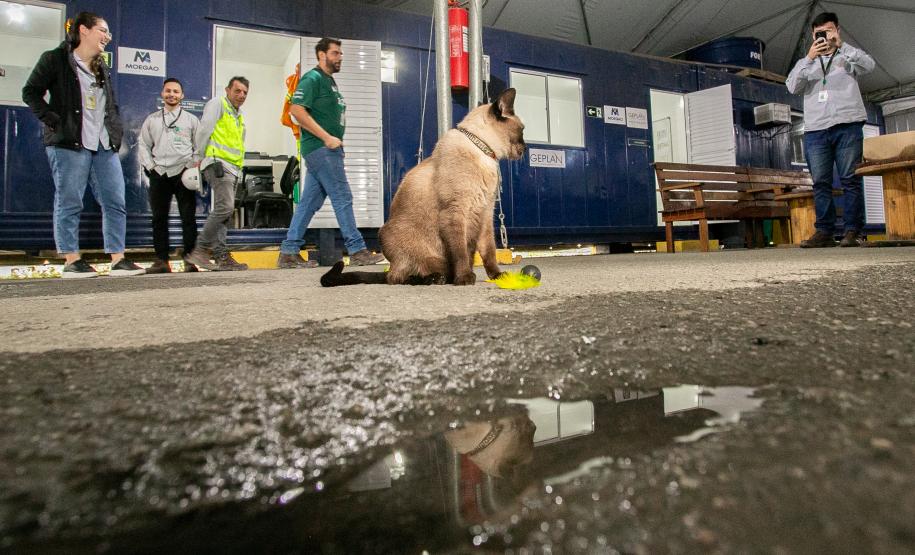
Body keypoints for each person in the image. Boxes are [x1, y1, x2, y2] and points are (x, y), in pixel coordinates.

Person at [22, 11, 145, 278]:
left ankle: (118, 259)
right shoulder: (55, 60)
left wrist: (115, 132)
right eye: (103, 30)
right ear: (83, 30)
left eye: (109, 33)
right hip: (69, 142)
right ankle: (71, 259)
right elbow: (30, 92)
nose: (107, 37)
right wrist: (53, 120)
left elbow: (108, 104)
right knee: (70, 200)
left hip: (102, 144)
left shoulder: (101, 66)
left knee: (115, 199)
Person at [276, 38, 384, 269]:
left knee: (308, 204)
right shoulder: (312, 78)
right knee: (342, 197)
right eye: (335, 53)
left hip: (327, 150)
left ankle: (288, 251)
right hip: (321, 149)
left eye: (340, 54)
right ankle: (357, 249)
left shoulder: (329, 81)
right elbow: (296, 110)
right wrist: (326, 137)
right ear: (321, 55)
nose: (340, 57)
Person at [785, 12, 875, 248]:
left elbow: (869, 65)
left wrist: (842, 45)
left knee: (850, 179)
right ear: (813, 35)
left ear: (837, 30)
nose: (825, 36)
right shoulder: (807, 63)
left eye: (829, 30)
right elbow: (792, 86)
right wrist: (809, 58)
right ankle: (824, 232)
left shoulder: (847, 57)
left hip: (847, 124)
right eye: (819, 33)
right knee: (821, 182)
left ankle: (853, 231)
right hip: (816, 130)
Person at [183, 77, 250, 271]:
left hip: (233, 167)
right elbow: (204, 129)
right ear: (228, 90)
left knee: (225, 214)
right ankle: (200, 250)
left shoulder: (238, 114)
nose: (241, 95)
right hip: (217, 163)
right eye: (237, 90)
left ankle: (221, 256)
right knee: (225, 207)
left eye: (245, 92)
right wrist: (198, 155)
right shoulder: (217, 103)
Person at [138, 78, 201, 273]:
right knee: (159, 218)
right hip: (159, 173)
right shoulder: (152, 120)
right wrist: (151, 166)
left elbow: (200, 146)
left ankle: (190, 260)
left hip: (183, 173)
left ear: (182, 96)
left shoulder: (191, 120)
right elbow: (143, 145)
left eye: (176, 91)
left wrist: (190, 166)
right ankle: (161, 261)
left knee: (188, 218)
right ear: (162, 94)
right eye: (168, 91)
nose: (172, 94)